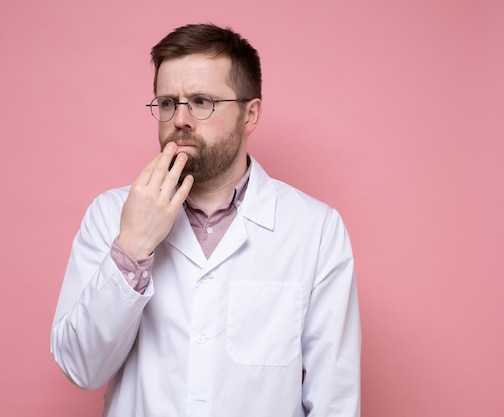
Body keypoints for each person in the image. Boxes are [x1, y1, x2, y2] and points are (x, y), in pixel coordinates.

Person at [51, 23, 361, 417]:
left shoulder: (316, 230)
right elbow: (81, 368)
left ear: (250, 114)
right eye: (166, 102)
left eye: (200, 101)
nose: (179, 119)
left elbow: (334, 400)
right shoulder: (110, 216)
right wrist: (132, 248)